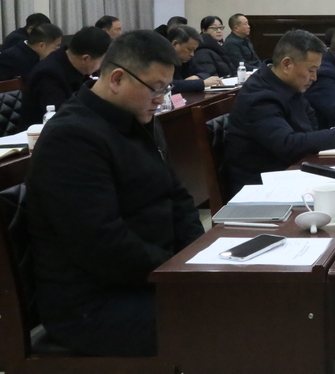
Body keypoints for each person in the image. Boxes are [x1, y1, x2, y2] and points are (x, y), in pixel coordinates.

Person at [25, 30, 204, 356]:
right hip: (92, 304)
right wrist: (175, 272)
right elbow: (102, 243)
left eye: (166, 89)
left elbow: (177, 196)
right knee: (228, 318)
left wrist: (195, 258)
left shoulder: (139, 117)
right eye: (156, 89)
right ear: (117, 78)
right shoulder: (72, 138)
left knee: (244, 296)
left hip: (149, 277)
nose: (160, 99)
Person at [223, 30, 335, 198]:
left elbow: (310, 126)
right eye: (311, 70)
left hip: (291, 171)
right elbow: (288, 145)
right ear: (287, 64)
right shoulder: (258, 96)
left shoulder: (288, 84)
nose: (315, 77)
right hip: (260, 187)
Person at [20, 26, 111, 128]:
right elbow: (62, 116)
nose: (101, 67)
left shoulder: (75, 66)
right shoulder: (48, 74)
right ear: (86, 59)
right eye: (101, 62)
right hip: (41, 133)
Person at [168, 26, 223, 94]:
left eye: (194, 50)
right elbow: (169, 86)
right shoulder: (160, 60)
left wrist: (197, 77)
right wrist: (201, 83)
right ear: (174, 44)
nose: (192, 54)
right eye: (189, 49)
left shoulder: (185, 59)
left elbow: (205, 73)